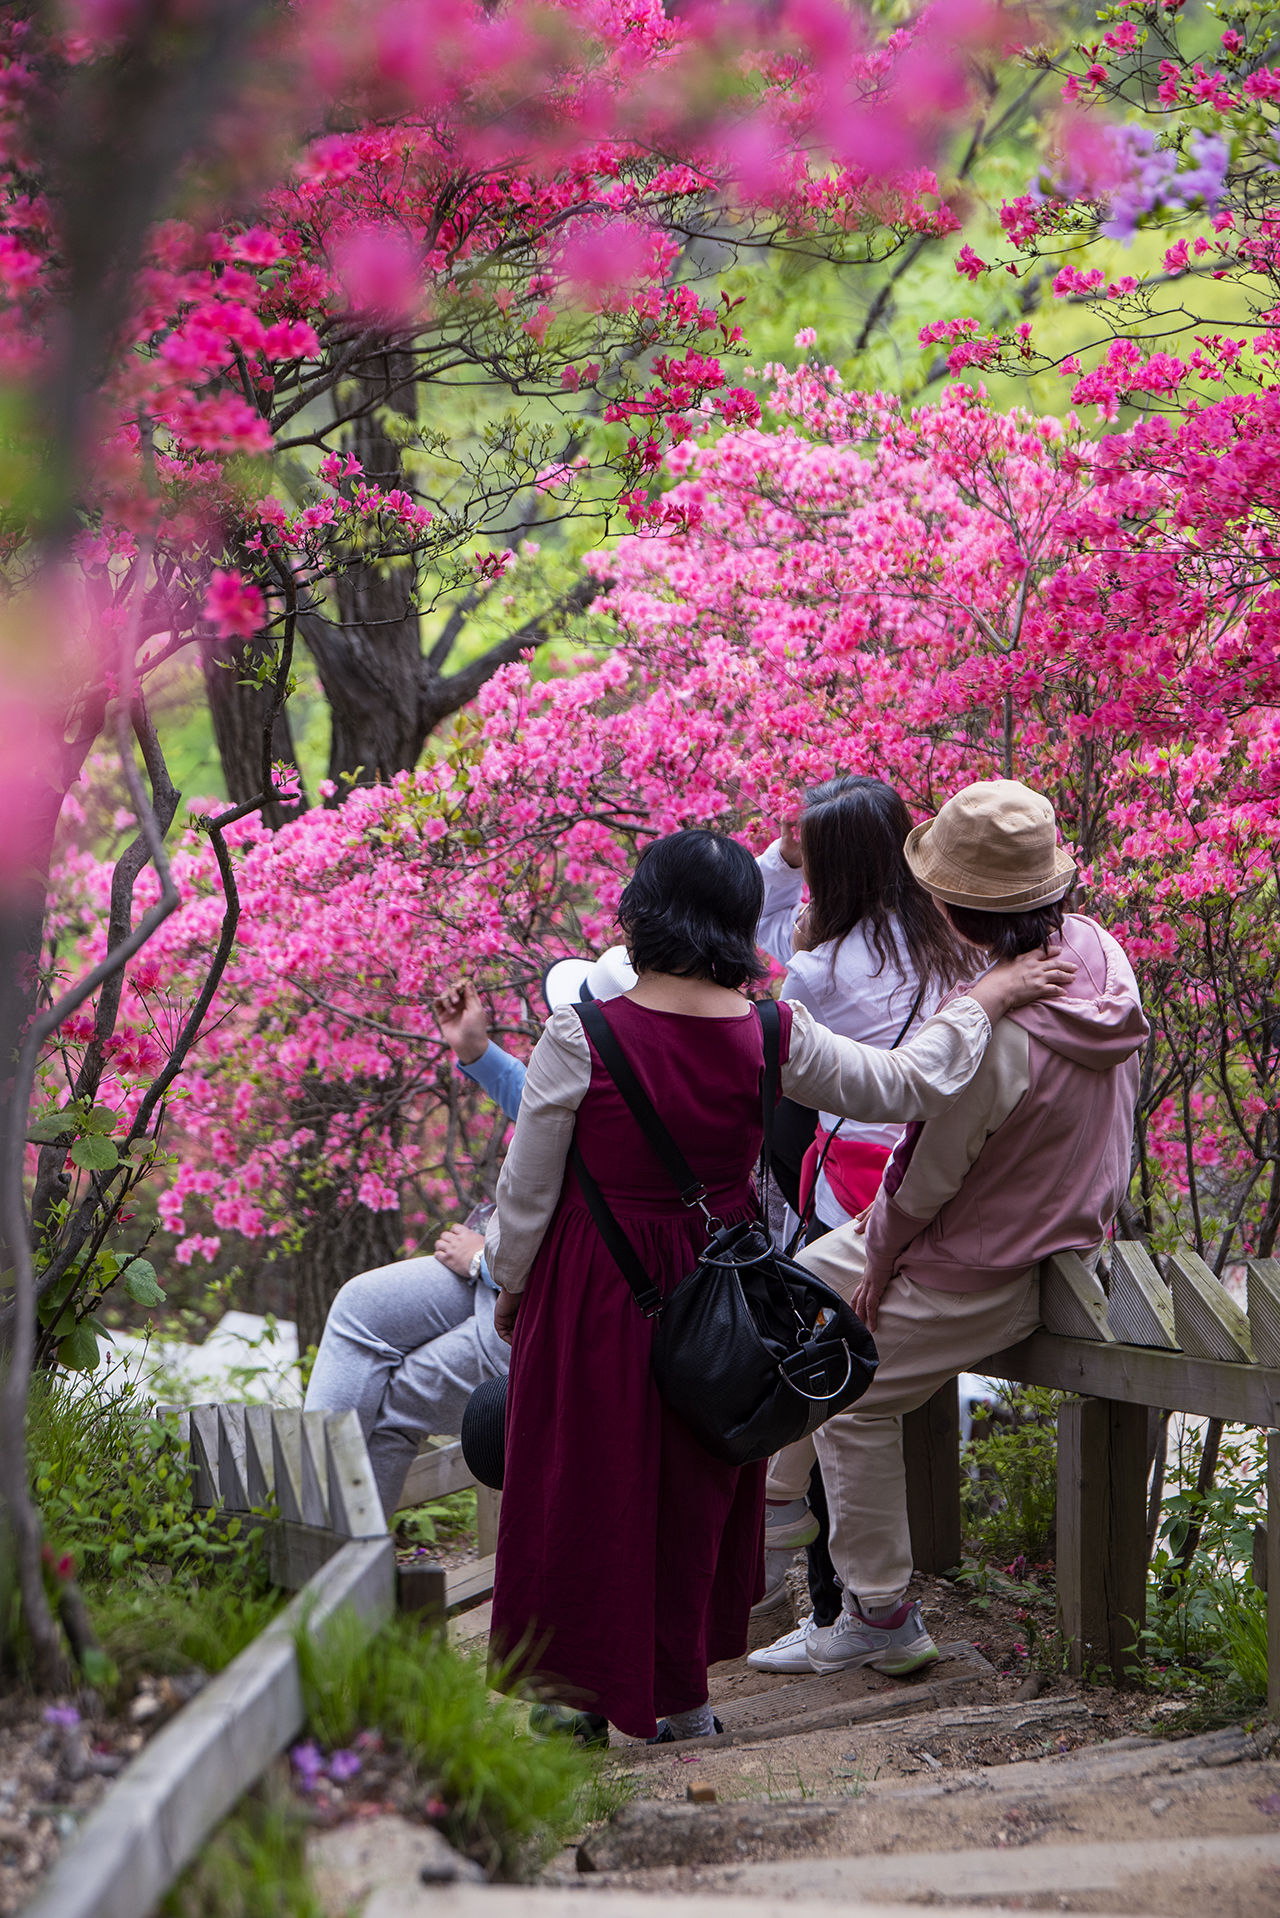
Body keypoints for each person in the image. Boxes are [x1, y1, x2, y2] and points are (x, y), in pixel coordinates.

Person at [484, 828, 1075, 1743]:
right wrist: (985, 997)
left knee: (586, 1481)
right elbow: (908, 1084)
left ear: (641, 913)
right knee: (693, 1486)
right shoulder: (772, 1031)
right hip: (723, 1299)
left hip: (596, 1289)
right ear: (733, 924)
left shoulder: (581, 1034)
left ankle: (574, 1697)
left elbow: (527, 1190)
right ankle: (682, 1700)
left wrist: (513, 1284)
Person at [792, 779, 1148, 1680]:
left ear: (953, 909)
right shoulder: (1099, 954)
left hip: (985, 1258)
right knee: (794, 1289)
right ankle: (769, 1527)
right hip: (1054, 1225)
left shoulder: (999, 1032)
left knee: (847, 1395)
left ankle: (881, 1613)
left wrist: (882, 1257)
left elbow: (926, 1176)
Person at [304, 949, 636, 1516]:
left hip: (536, 1312)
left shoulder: (629, 1132)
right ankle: (323, 1536)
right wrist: (477, 1051)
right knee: (360, 1305)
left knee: (391, 1405)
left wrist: (487, 1260)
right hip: (499, 1274)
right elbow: (543, 1107)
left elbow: (593, 1243)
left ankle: (336, 1563)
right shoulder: (607, 1095)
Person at [752, 776, 965, 1655]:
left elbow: (754, 972)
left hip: (853, 1191)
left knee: (824, 1365)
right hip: (937, 1185)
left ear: (830, 873)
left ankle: (809, 1574)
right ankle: (809, 1570)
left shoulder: (820, 967)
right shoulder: (955, 945)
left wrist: (778, 871)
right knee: (847, 1371)